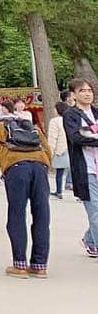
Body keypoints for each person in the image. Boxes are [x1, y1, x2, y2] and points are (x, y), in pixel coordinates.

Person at [0, 108, 52, 277]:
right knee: (42, 215)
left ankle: (20, 264)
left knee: (17, 214)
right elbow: (47, 149)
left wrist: (7, 162)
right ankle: (39, 265)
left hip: (16, 168)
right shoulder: (31, 126)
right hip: (40, 167)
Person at [63, 78, 98, 258]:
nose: (87, 93)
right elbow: (76, 138)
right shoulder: (71, 115)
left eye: (89, 90)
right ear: (74, 94)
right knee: (95, 211)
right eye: (83, 91)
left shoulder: (96, 112)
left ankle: (90, 240)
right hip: (86, 170)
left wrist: (91, 136)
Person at [47, 102, 70, 199]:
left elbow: (53, 138)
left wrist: (50, 151)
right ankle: (80, 195)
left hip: (60, 150)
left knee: (59, 172)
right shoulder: (70, 120)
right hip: (71, 149)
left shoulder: (55, 121)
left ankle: (59, 191)